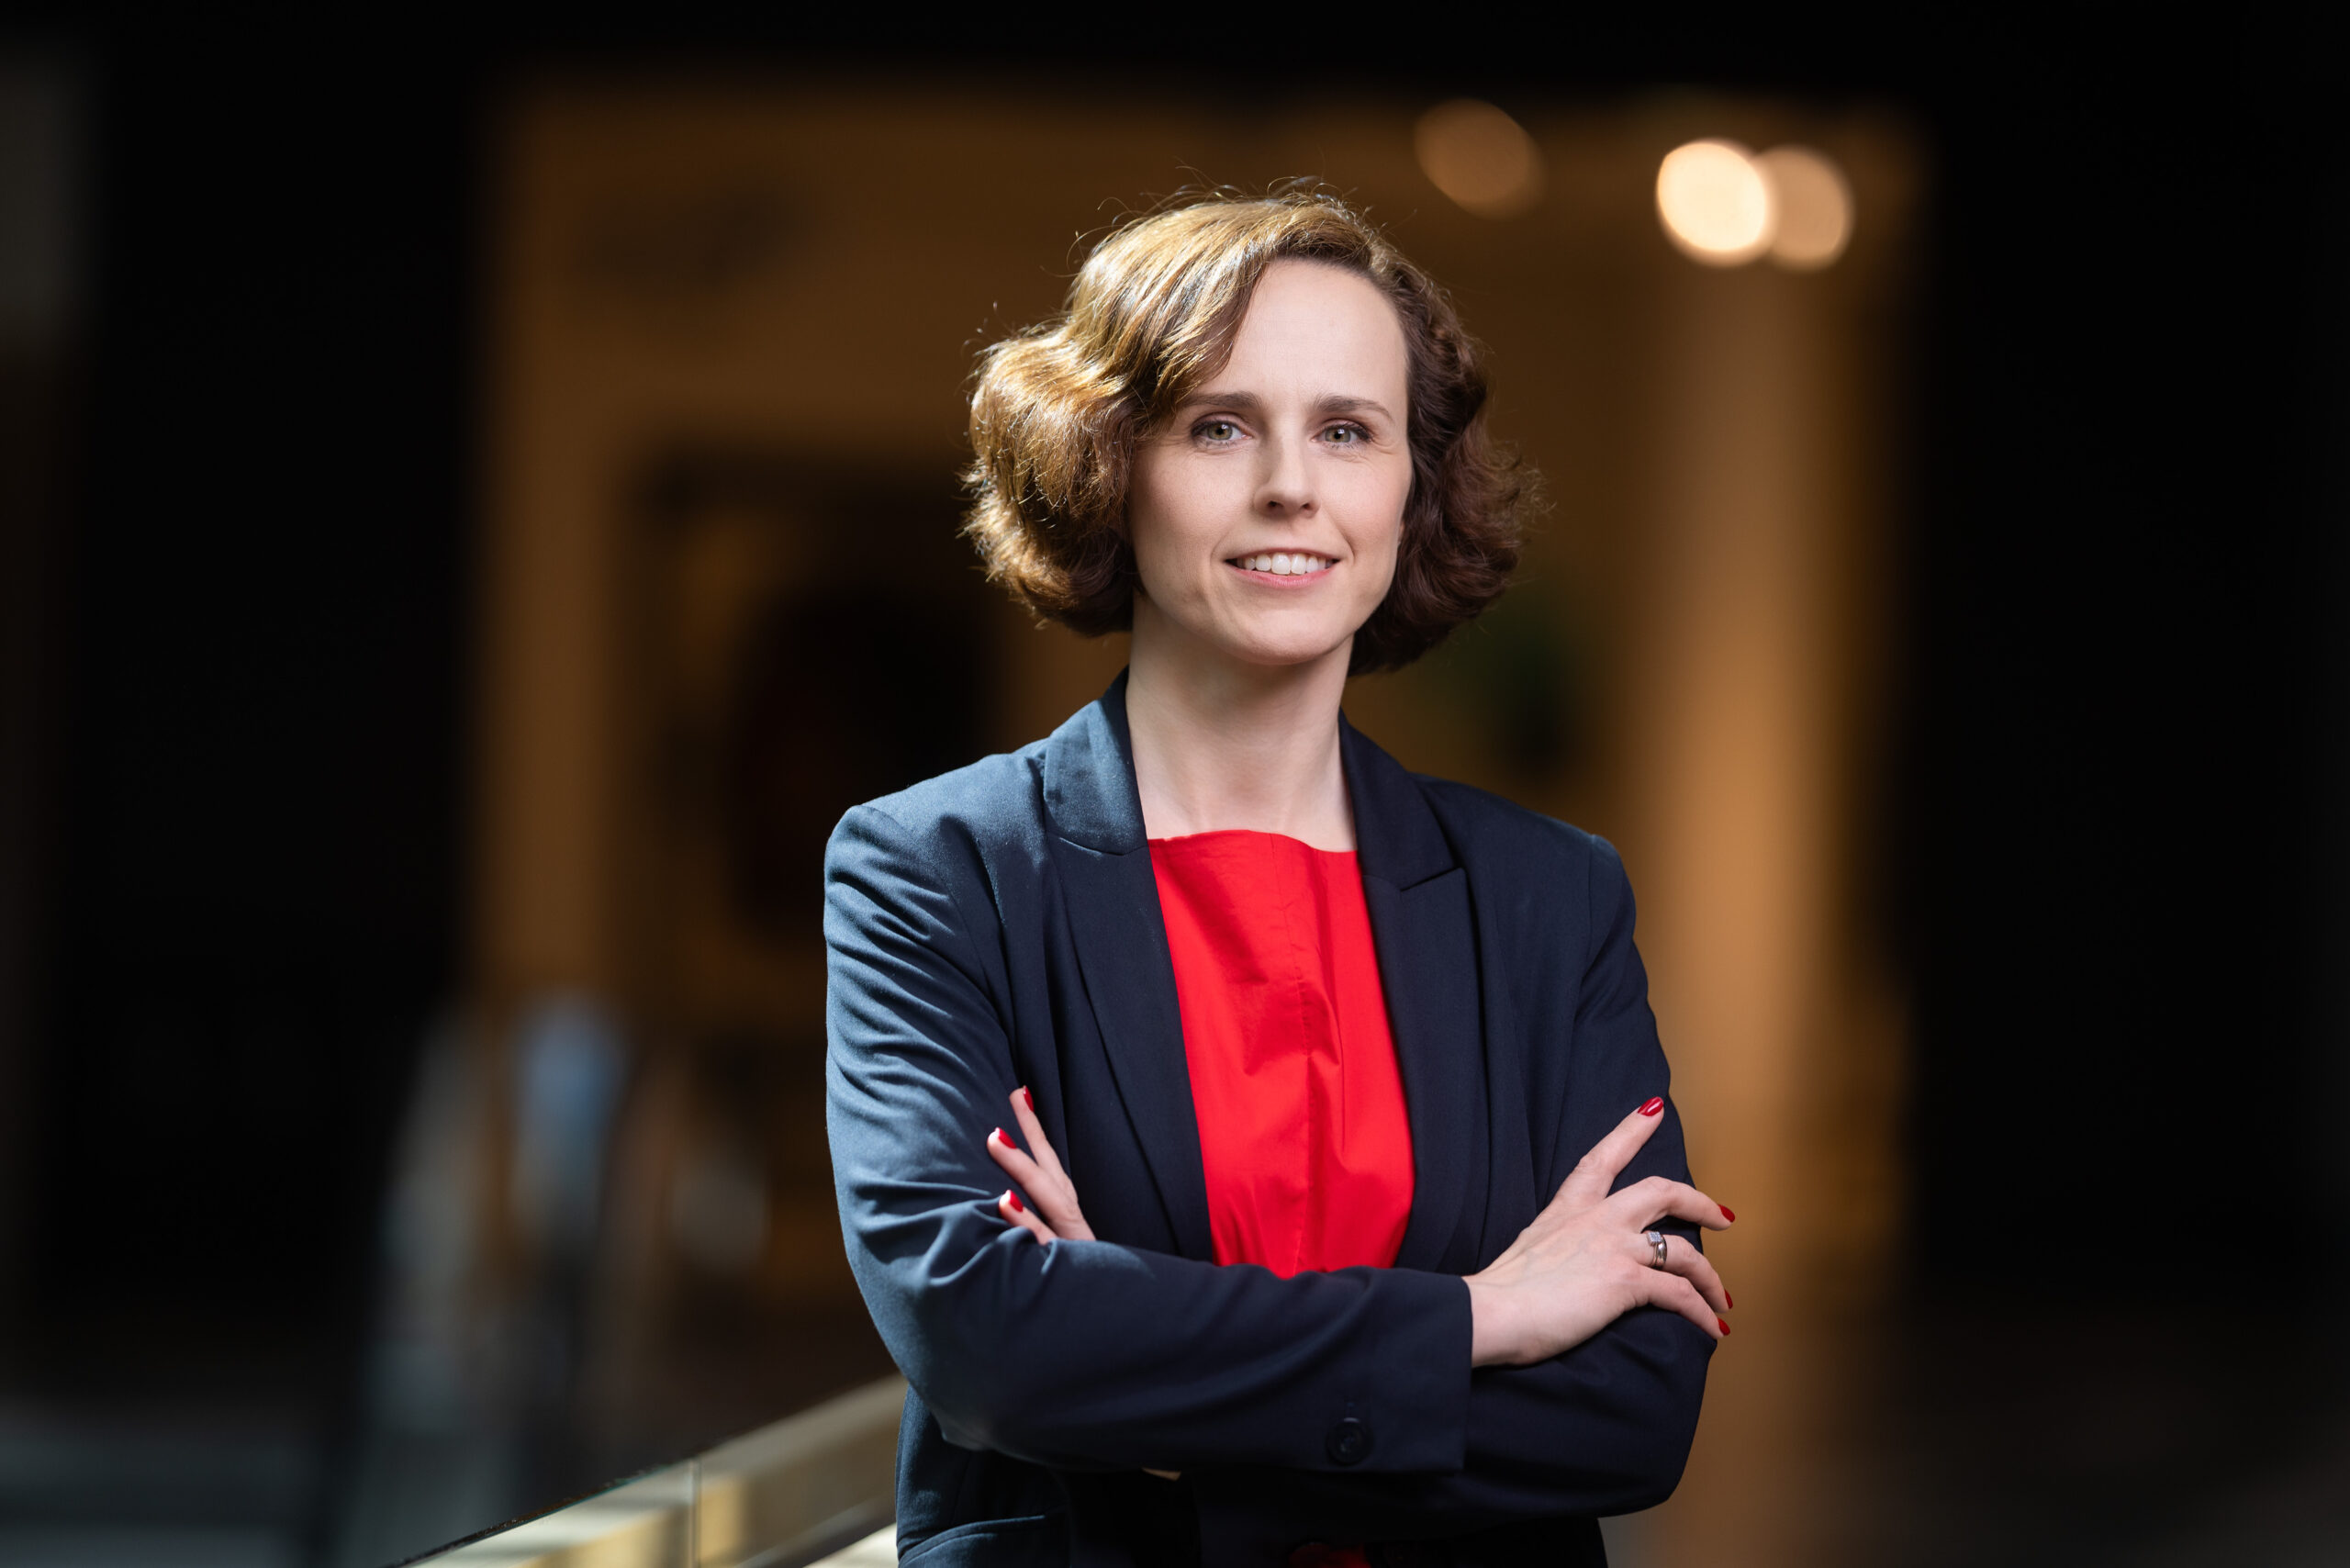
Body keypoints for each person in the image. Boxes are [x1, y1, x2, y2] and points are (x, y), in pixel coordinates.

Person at [825, 187, 1733, 1568]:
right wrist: (1484, 1319)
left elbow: (1631, 1413)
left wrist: (1153, 1403)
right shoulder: (941, 873)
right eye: (1220, 425)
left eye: (1348, 430)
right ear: (1108, 464)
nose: (1291, 487)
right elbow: (989, 1345)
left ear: (1412, 487)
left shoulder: (1551, 899)